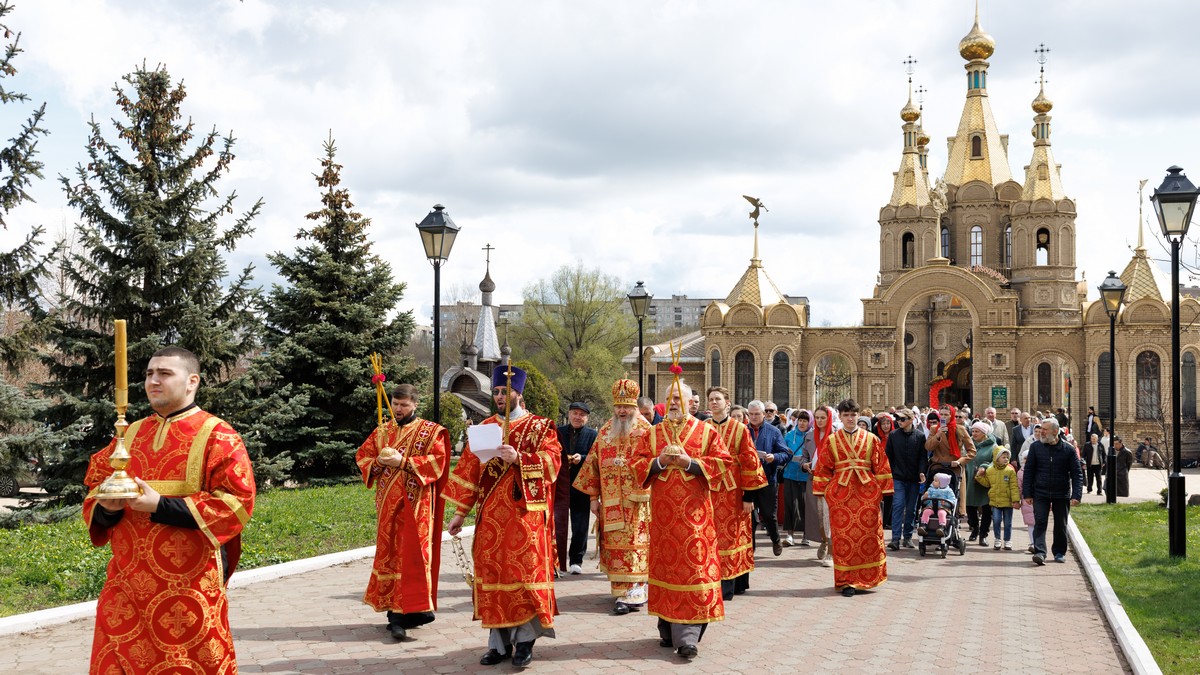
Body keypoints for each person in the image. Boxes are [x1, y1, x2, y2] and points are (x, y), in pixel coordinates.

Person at [84, 346, 256, 673]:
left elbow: (236, 502)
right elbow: (96, 486)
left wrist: (160, 505)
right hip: (126, 588)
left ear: (192, 381)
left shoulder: (218, 435)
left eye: (165, 373)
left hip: (189, 588)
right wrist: (107, 508)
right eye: (149, 374)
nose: (154, 381)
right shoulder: (129, 434)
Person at [445, 365, 562, 668]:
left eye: (505, 391)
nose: (499, 396)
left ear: (518, 394)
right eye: (496, 391)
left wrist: (520, 458)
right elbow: (470, 473)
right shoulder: (483, 428)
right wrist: (460, 513)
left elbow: (552, 464)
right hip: (490, 521)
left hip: (525, 519)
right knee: (492, 578)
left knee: (523, 578)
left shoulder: (540, 427)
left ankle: (524, 642)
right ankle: (497, 645)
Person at [632, 380, 732, 660]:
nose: (674, 402)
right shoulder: (653, 434)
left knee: (695, 572)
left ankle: (687, 637)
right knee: (666, 572)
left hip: (695, 520)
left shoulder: (706, 431)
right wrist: (660, 462)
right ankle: (667, 628)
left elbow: (723, 462)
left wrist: (689, 463)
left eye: (678, 398)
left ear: (689, 401)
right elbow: (636, 464)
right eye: (669, 398)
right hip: (664, 522)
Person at [355, 383, 451, 640]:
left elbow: (437, 462)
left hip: (417, 504)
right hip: (388, 506)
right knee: (392, 554)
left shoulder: (429, 431)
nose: (398, 409)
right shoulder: (382, 431)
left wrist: (404, 462)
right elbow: (362, 457)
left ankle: (413, 610)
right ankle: (395, 614)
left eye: (404, 405)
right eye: (396, 404)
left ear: (415, 404)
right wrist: (378, 462)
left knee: (414, 554)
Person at [573, 380, 652, 614]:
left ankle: (634, 592)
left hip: (637, 504)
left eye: (626, 406)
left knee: (635, 546)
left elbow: (655, 464)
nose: (622, 411)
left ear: (634, 407)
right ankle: (620, 592)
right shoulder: (606, 430)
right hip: (610, 503)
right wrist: (593, 499)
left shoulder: (647, 430)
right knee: (615, 548)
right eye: (618, 406)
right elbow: (592, 465)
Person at [812, 398, 893, 597]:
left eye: (853, 415)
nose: (850, 418)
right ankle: (846, 581)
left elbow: (881, 465)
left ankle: (867, 579)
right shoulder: (832, 440)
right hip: (841, 495)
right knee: (843, 539)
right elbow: (823, 468)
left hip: (867, 494)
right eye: (846, 415)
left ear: (858, 415)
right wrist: (824, 491)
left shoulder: (871, 439)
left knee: (869, 536)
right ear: (840, 416)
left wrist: (883, 491)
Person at [706, 387, 768, 600]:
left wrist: (749, 496)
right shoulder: (703, 427)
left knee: (732, 536)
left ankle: (731, 583)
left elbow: (750, 461)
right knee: (711, 536)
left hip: (734, 491)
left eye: (718, 399)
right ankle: (712, 579)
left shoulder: (740, 429)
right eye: (711, 399)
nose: (714, 402)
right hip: (709, 490)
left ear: (727, 402)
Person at [1022, 418, 1083, 566]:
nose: (1041, 432)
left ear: (1055, 431)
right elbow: (1028, 471)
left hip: (1061, 493)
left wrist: (1076, 495)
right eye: (1041, 429)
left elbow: (1077, 473)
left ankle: (1059, 552)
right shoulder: (1036, 447)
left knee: (1061, 523)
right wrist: (1027, 493)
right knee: (1040, 522)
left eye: (1045, 429)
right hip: (1040, 492)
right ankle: (1040, 553)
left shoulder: (1068, 449)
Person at [745, 400, 791, 557]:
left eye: (757, 414)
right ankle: (751, 548)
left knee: (769, 515)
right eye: (751, 414)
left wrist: (774, 457)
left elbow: (785, 453)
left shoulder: (774, 431)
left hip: (768, 479)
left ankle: (776, 539)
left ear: (763, 414)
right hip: (747, 480)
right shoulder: (743, 430)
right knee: (750, 517)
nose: (754, 417)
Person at [555, 401, 597, 575]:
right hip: (560, 485)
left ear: (587, 418)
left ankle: (576, 560)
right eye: (575, 413)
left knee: (580, 525)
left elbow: (596, 456)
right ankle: (556, 560)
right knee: (558, 523)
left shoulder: (592, 435)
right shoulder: (558, 432)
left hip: (582, 485)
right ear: (569, 414)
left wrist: (583, 457)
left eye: (582, 415)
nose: (577, 417)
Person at [885, 409, 926, 550]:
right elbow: (888, 456)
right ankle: (895, 539)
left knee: (911, 509)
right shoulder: (893, 435)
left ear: (911, 419)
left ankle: (908, 537)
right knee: (898, 505)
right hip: (898, 478)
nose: (899, 421)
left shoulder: (920, 436)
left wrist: (922, 472)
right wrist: (891, 472)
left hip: (914, 479)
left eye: (902, 419)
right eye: (898, 419)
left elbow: (922, 457)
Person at [925, 407, 976, 519]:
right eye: (941, 414)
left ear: (951, 415)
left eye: (946, 415)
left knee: (954, 496)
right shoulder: (934, 429)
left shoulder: (960, 429)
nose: (943, 417)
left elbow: (972, 451)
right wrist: (938, 435)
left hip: (955, 468)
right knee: (935, 495)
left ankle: (955, 517)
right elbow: (928, 447)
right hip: (938, 467)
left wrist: (959, 461)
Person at [802, 406, 835, 566]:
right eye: (817, 417)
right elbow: (804, 456)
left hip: (831, 481)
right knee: (818, 515)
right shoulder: (809, 436)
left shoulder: (835, 435)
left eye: (823, 417)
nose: (820, 421)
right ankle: (823, 540)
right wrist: (804, 464)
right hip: (813, 479)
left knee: (829, 515)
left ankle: (831, 551)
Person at [975, 447, 1020, 550]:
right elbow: (987, 483)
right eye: (1003, 457)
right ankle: (997, 539)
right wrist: (979, 477)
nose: (1006, 459)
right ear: (996, 458)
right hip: (995, 501)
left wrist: (1016, 500)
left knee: (1008, 522)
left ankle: (1007, 540)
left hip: (1008, 502)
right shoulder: (990, 470)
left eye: (1007, 457)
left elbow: (1014, 486)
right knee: (996, 520)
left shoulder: (1010, 470)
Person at [782, 410, 814, 547]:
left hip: (806, 476)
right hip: (790, 474)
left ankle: (806, 535)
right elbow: (782, 451)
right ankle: (790, 534)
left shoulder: (812, 437)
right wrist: (787, 455)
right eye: (800, 420)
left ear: (809, 422)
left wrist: (807, 462)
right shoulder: (789, 435)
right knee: (790, 504)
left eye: (805, 421)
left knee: (805, 505)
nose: (801, 423)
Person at [965, 421, 996, 546]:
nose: (974, 433)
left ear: (984, 433)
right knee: (970, 507)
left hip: (985, 481)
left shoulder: (993, 446)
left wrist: (985, 466)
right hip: (970, 480)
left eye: (977, 431)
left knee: (986, 509)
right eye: (973, 431)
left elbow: (995, 461)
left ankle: (983, 534)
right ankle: (974, 529)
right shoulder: (968, 444)